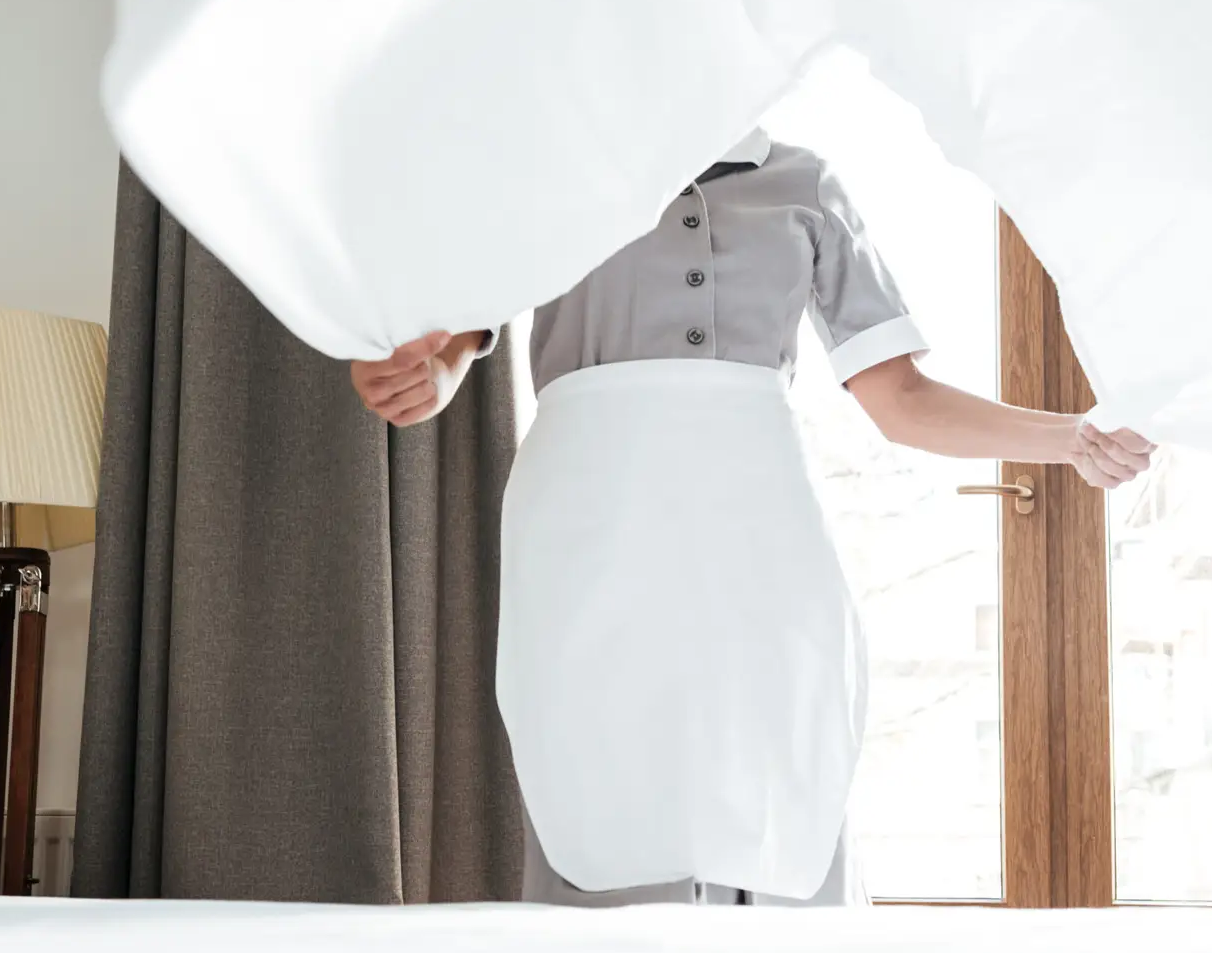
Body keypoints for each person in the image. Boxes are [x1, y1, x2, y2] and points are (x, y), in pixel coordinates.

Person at [350, 130, 1151, 908]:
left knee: (782, 748)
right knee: (599, 760)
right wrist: (434, 376)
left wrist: (1070, 439)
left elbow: (901, 400)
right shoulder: (558, 168)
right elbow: (457, 339)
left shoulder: (803, 184)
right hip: (588, 507)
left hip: (757, 515)